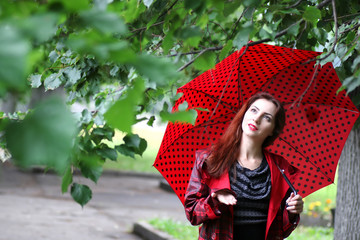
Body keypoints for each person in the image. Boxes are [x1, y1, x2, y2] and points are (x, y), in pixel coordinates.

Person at [184, 92, 304, 240]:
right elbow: (192, 213)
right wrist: (215, 200)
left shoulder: (280, 167)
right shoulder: (209, 160)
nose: (257, 118)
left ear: (273, 129)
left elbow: (280, 231)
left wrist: (292, 212)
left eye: (267, 117)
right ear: (244, 113)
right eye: (254, 110)